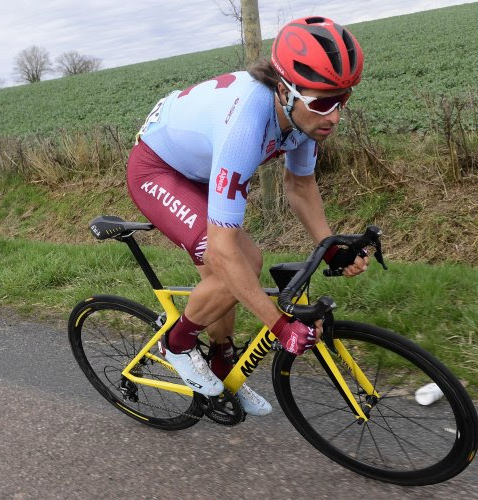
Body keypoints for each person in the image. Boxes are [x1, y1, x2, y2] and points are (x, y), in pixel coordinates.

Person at [126, 16, 369, 416]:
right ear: (284, 89)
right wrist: (280, 326)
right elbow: (224, 252)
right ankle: (178, 344)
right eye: (323, 102)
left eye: (342, 100)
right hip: (158, 171)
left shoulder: (302, 118)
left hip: (202, 169)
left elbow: (301, 187)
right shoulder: (246, 123)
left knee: (227, 277)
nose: (335, 116)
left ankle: (222, 365)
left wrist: (331, 249)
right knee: (239, 262)